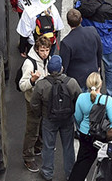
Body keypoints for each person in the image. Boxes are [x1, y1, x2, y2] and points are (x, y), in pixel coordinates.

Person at [30, 55, 82, 181]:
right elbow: (79, 99)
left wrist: (40, 115)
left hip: (49, 119)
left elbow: (34, 104)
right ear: (62, 69)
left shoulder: (41, 85)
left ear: (47, 69)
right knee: (68, 146)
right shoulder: (71, 82)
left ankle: (47, 172)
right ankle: (70, 173)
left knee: (48, 146)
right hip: (67, 119)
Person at [68, 72, 112, 181]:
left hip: (85, 133)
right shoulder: (107, 100)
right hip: (102, 135)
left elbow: (77, 117)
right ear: (100, 85)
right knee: (106, 162)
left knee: (82, 162)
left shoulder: (81, 97)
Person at [20, 36, 52, 172]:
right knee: (32, 129)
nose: (45, 53)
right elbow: (22, 85)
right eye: (42, 50)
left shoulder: (47, 60)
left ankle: (38, 147)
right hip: (32, 100)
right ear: (37, 49)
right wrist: (32, 80)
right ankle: (28, 157)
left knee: (43, 124)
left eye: (47, 50)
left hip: (44, 99)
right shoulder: (29, 63)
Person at [60, 8, 102, 90]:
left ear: (68, 23)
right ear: (81, 19)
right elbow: (99, 51)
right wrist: (98, 66)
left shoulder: (66, 42)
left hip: (77, 80)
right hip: (93, 74)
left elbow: (64, 66)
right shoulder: (92, 31)